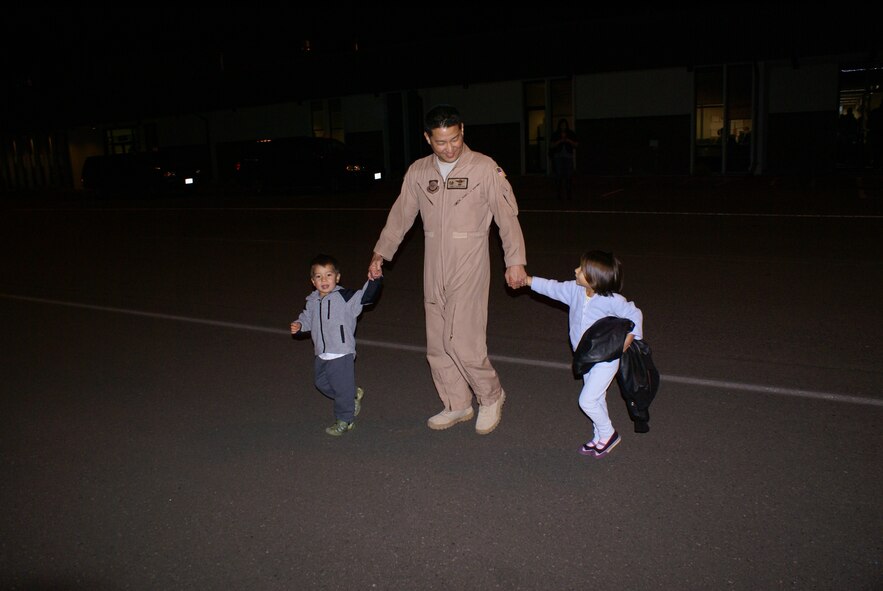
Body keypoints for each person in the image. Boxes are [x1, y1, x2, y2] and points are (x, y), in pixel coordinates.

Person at [367, 104, 528, 435]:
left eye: (454, 139)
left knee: (464, 340)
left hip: (470, 261)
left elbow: (506, 218)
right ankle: (457, 404)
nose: (449, 147)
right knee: (438, 343)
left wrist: (515, 261)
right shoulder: (418, 172)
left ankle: (491, 396)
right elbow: (401, 217)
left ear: (462, 131)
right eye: (441, 142)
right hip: (433, 264)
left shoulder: (484, 168)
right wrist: (380, 253)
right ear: (428, 138)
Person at [521, 250, 643, 458]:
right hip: (585, 357)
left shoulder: (611, 300)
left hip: (605, 359)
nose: (576, 271)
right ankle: (599, 438)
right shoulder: (574, 290)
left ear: (595, 279)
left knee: (586, 400)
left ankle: (609, 434)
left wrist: (628, 339)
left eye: (582, 270)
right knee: (597, 399)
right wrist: (527, 280)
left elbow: (634, 313)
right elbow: (551, 287)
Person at [291, 254, 382, 436]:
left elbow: (366, 297)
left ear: (337, 277)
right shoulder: (312, 301)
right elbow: (307, 319)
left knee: (341, 390)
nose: (324, 280)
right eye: (319, 276)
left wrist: (375, 279)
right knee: (320, 382)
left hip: (341, 353)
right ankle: (351, 394)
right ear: (313, 281)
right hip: (321, 353)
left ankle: (345, 421)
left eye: (329, 275)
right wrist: (300, 325)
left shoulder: (345, 297)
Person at [549, 118, 579, 200]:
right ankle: (559, 194)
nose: (563, 126)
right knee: (559, 175)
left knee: (568, 175)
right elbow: (551, 145)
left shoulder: (570, 133)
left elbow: (576, 144)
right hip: (558, 156)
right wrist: (560, 141)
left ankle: (569, 194)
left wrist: (568, 140)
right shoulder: (556, 134)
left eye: (564, 125)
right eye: (562, 125)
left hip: (568, 156)